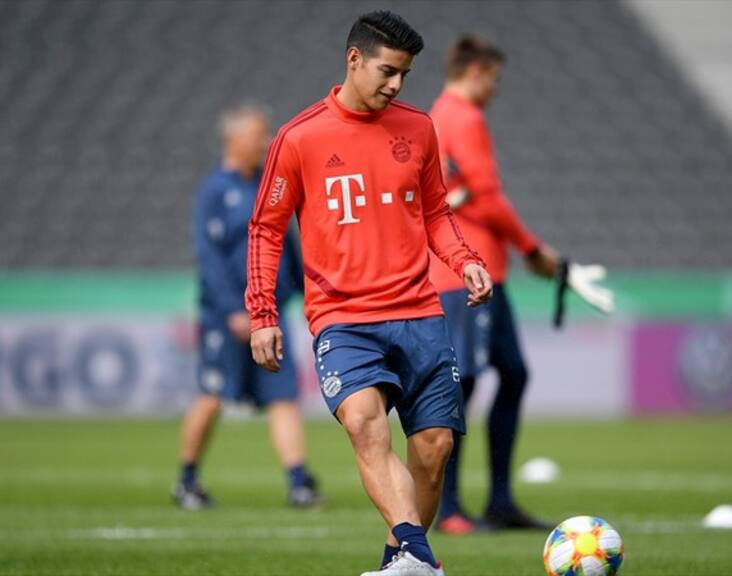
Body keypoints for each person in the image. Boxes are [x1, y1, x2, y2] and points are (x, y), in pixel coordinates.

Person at [246, 11, 493, 576]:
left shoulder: (419, 128)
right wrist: (263, 311)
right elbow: (264, 228)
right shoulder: (298, 137)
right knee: (363, 419)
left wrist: (467, 261)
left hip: (420, 313)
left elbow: (436, 212)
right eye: (387, 71)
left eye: (404, 74)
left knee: (433, 451)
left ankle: (400, 560)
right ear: (354, 59)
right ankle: (419, 553)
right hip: (345, 318)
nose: (396, 85)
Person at [428, 35, 614, 535]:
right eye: (494, 79)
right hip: (469, 273)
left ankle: (500, 502)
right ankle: (448, 508)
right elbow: (487, 200)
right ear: (477, 72)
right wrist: (533, 248)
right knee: (461, 382)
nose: (495, 90)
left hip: (482, 272)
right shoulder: (462, 117)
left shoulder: (440, 116)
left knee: (512, 373)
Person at [173, 103, 322, 511]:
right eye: (259, 134)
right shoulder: (213, 191)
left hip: (267, 314)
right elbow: (209, 257)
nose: (266, 141)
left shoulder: (266, 184)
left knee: (283, 395)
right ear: (234, 139)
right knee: (213, 394)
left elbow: (285, 243)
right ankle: (186, 479)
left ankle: (299, 482)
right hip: (228, 319)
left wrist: (292, 291)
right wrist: (231, 310)